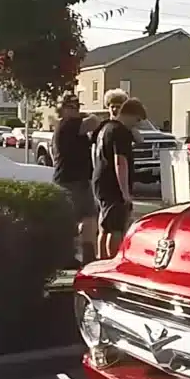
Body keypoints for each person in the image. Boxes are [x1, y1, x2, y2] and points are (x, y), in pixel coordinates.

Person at [92, 98, 145, 258]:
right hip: (114, 184)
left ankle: (101, 260)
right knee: (116, 228)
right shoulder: (120, 131)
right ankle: (113, 261)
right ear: (131, 114)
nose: (136, 124)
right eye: (137, 120)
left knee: (105, 226)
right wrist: (125, 193)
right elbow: (120, 162)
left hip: (100, 180)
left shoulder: (105, 127)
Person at [50, 94, 97, 266]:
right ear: (63, 109)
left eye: (78, 106)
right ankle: (67, 256)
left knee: (89, 218)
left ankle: (88, 256)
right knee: (71, 219)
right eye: (73, 107)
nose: (77, 110)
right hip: (70, 180)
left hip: (80, 179)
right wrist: (85, 115)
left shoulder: (71, 126)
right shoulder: (68, 125)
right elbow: (94, 121)